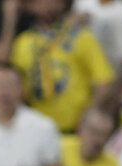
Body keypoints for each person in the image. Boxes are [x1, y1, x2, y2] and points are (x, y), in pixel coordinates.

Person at [9, 0, 115, 131]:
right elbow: (16, 86)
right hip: (35, 127)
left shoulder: (81, 37)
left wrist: (88, 113)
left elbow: (104, 81)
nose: (47, 6)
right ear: (31, 6)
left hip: (73, 128)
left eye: (54, 1)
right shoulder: (22, 42)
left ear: (63, 4)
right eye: (40, 2)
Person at [72, 0, 122, 97]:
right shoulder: (81, 3)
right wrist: (72, 21)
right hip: (75, 80)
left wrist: (119, 94)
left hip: (106, 84)